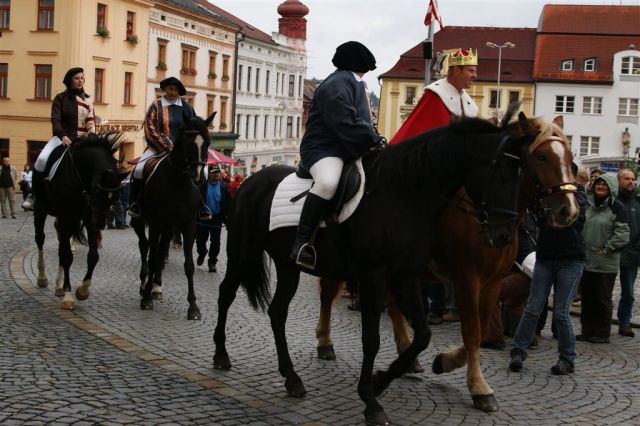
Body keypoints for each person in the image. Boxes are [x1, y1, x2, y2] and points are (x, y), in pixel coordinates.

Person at [389, 47, 480, 319]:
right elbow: (427, 137)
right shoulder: (436, 96)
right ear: (455, 70)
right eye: (471, 70)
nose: (474, 75)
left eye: (474, 70)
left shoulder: (467, 102)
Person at [290, 41, 385, 270]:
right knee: (327, 182)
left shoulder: (354, 82)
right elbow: (344, 121)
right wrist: (372, 139)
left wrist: (375, 138)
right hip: (324, 148)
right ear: (359, 63)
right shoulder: (336, 84)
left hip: (348, 146)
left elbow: (361, 122)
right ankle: (301, 242)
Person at [509, 190, 587, 376]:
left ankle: (567, 358)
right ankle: (518, 351)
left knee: (561, 312)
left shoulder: (579, 198)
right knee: (533, 307)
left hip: (570, 259)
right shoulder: (543, 197)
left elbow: (574, 218)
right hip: (545, 259)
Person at [128, 77, 204, 219]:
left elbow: (194, 127)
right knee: (138, 169)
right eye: (170, 89)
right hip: (158, 148)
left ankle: (202, 206)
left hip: (183, 153)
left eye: (175, 90)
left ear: (179, 91)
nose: (172, 92)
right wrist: (168, 144)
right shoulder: (156, 106)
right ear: (165, 89)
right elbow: (150, 127)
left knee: (202, 172)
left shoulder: (187, 108)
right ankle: (135, 204)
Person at [24, 67, 96, 210]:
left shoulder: (87, 100)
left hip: (82, 140)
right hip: (61, 138)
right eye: (77, 78)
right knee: (42, 159)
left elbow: (90, 121)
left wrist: (93, 135)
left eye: (82, 78)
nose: (80, 81)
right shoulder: (60, 98)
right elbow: (55, 120)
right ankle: (33, 195)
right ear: (70, 81)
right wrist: (63, 135)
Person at [577, 174, 629, 343]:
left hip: (605, 263)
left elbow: (622, 235)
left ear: (611, 188)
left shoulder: (617, 208)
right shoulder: (588, 206)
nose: (600, 187)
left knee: (602, 299)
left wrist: (607, 249)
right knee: (588, 298)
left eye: (604, 185)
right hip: (587, 261)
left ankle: (601, 332)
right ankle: (587, 330)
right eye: (598, 184)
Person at [482, 212, 538, 350]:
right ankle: (529, 338)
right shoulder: (528, 217)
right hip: (531, 271)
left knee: (491, 295)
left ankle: (493, 338)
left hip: (526, 271)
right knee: (514, 303)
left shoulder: (512, 223)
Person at [616, 169, 638, 338]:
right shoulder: (611, 201)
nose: (630, 182)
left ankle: (624, 322)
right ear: (618, 180)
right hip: (609, 254)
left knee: (628, 293)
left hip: (631, 254)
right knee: (602, 291)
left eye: (632, 179)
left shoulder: (638, 203)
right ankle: (597, 322)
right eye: (626, 179)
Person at [196, 164, 229, 273]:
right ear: (209, 174)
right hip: (203, 218)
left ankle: (212, 262)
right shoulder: (202, 187)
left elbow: (228, 204)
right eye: (213, 172)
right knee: (200, 240)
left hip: (217, 218)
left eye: (217, 172)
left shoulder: (224, 188)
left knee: (215, 241)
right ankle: (202, 253)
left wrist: (227, 218)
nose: (216, 174)